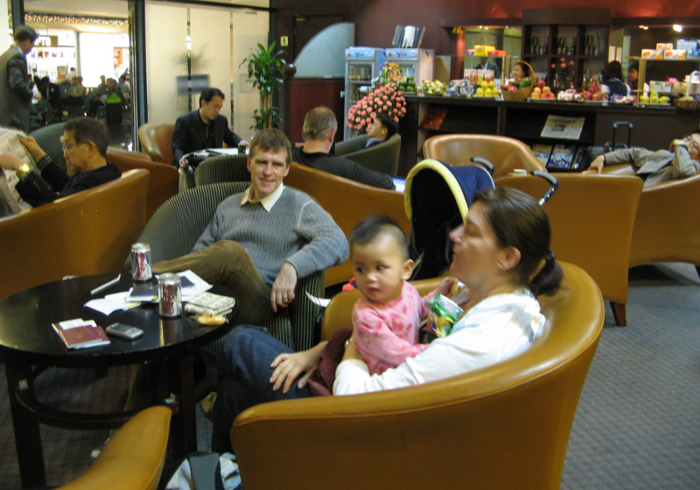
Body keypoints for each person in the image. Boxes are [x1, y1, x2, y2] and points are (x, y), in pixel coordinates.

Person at [210, 186, 563, 453]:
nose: (454, 235)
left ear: (507, 257)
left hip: (362, 432)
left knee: (240, 340)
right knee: (233, 393)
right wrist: (320, 350)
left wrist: (350, 350)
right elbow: (411, 329)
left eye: (470, 232)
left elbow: (355, 402)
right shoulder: (490, 300)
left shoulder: (483, 341)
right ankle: (230, 472)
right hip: (377, 404)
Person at [151, 128, 348, 325]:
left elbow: (338, 241)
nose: (268, 172)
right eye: (262, 162)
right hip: (217, 294)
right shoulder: (228, 205)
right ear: (249, 163)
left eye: (277, 165)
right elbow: (200, 254)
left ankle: (149, 279)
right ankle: (157, 290)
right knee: (226, 254)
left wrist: (292, 267)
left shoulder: (299, 205)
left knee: (232, 252)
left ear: (286, 170)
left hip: (259, 300)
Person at [348, 215, 454, 375]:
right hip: (385, 380)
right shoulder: (365, 315)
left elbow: (420, 310)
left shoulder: (407, 290)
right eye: (361, 269)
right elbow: (396, 352)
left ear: (405, 270)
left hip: (410, 364)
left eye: (380, 267)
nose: (369, 277)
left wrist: (438, 294)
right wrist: (435, 349)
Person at [0, 117, 122, 207]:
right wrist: (39, 153)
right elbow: (65, 182)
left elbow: (51, 205)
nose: (65, 155)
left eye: (68, 147)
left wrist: (20, 167)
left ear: (90, 149)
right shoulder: (107, 172)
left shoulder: (93, 186)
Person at [292, 106, 395, 190]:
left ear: (303, 132)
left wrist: (296, 145)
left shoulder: (287, 157)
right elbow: (387, 183)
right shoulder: (344, 167)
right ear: (331, 135)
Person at [587, 131, 700, 186]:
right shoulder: (665, 156)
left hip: (648, 204)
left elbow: (683, 171)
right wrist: (603, 158)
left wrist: (681, 146)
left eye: (694, 145)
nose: (686, 143)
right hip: (631, 196)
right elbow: (635, 153)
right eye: (688, 139)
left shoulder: (694, 167)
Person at [171, 87, 244, 171]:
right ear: (203, 103)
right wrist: (181, 159)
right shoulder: (185, 121)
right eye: (215, 106)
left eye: (220, 107)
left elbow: (229, 136)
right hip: (192, 165)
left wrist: (241, 142)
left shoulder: (220, 120)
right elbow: (177, 147)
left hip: (214, 164)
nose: (217, 111)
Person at [0, 26, 38, 132]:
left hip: (4, 113)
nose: (32, 47)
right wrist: (33, 94)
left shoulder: (4, 56)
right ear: (27, 41)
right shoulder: (17, 56)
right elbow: (17, 83)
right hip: (14, 115)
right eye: (32, 43)